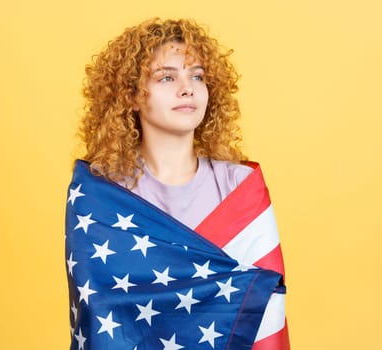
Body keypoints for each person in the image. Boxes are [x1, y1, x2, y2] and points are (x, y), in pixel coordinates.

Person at [65, 18, 289, 349]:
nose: (187, 88)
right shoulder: (100, 195)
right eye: (167, 77)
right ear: (131, 96)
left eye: (197, 76)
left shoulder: (239, 187)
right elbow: (100, 313)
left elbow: (263, 301)